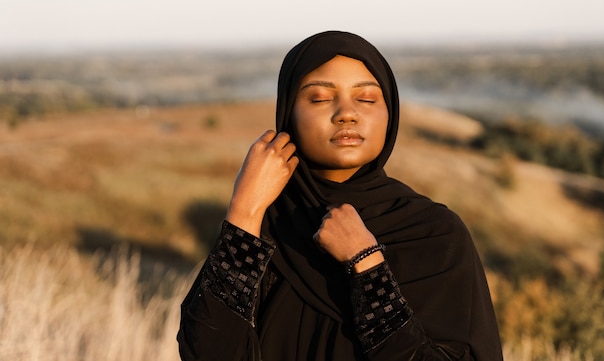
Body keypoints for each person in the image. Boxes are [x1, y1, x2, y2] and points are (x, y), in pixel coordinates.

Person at [177, 31, 503, 361]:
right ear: (288, 114)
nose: (346, 114)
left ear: (390, 114)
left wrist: (368, 265)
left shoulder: (435, 235)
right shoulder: (261, 232)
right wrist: (244, 210)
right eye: (319, 98)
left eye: (366, 99)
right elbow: (205, 351)